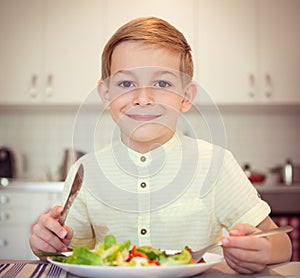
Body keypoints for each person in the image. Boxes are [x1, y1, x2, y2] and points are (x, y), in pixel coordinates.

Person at [30, 16, 292, 274]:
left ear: (185, 97)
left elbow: (282, 244)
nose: (143, 98)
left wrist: (262, 249)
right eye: (126, 83)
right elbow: (68, 255)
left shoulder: (215, 164)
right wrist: (48, 242)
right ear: (106, 95)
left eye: (162, 83)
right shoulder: (85, 171)